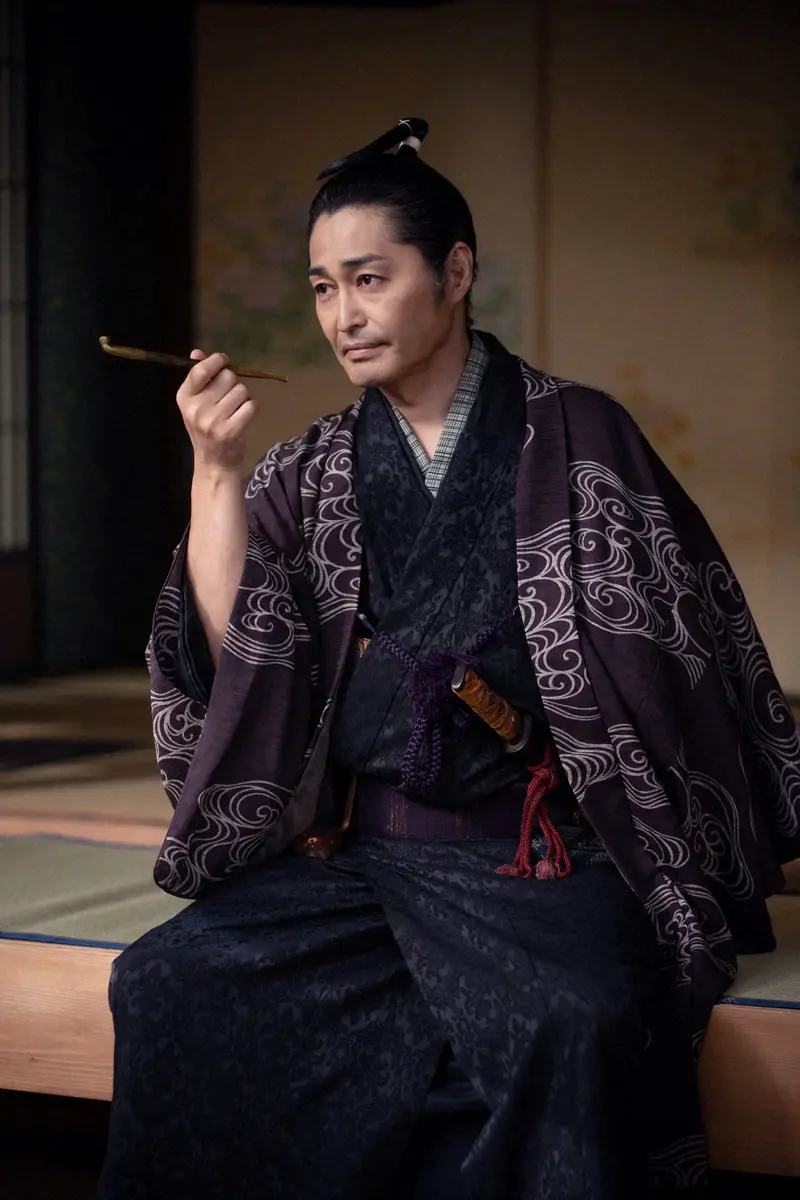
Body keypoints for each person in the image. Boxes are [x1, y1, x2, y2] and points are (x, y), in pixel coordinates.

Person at [97, 118, 800, 1200]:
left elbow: (679, 639)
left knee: (579, 1021)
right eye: (323, 288)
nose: (342, 315)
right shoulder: (310, 469)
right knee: (165, 979)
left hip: (540, 857)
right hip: (370, 861)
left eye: (369, 279)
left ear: (455, 272)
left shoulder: (580, 435)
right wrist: (216, 471)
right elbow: (242, 657)